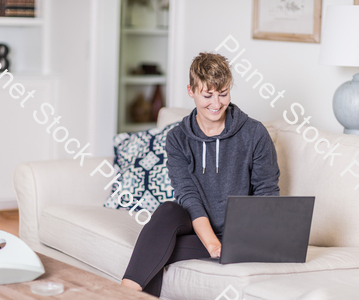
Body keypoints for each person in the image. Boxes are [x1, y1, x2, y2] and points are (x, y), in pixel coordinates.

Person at [120, 52, 280, 297]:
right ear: (191, 90)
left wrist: (249, 241)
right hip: (197, 228)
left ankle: (123, 294)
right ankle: (124, 293)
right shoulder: (177, 138)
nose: (216, 104)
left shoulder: (254, 133)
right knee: (168, 210)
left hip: (236, 235)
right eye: (207, 95)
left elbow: (267, 193)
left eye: (223, 93)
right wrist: (211, 243)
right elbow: (188, 196)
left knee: (154, 249)